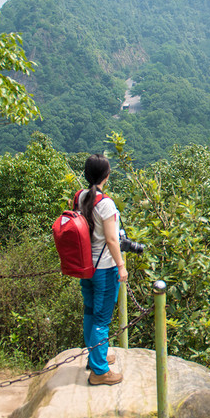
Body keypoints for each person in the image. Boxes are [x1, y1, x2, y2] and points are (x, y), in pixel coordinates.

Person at [78, 153, 128, 385]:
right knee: (101, 319)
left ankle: (94, 356)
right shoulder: (105, 204)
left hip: (86, 266)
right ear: (106, 176)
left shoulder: (80, 197)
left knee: (90, 313)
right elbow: (111, 239)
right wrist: (121, 266)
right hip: (104, 268)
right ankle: (100, 371)